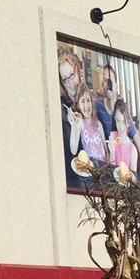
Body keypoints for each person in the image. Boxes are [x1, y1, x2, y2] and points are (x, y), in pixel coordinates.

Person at [95, 61, 140, 163]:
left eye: (110, 81)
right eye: (105, 81)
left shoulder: (122, 113)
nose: (108, 85)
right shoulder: (96, 106)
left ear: (117, 86)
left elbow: (139, 145)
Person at [58, 46, 82, 188]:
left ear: (77, 72)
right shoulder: (63, 110)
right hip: (73, 180)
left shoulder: (87, 102)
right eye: (65, 79)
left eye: (71, 75)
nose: (70, 82)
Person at [68, 82, 108, 166]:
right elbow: (73, 150)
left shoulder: (99, 124)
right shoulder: (80, 123)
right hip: (91, 171)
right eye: (82, 101)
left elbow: (106, 150)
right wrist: (73, 125)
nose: (86, 105)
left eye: (88, 100)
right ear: (78, 105)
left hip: (103, 169)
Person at [107, 99, 138, 172]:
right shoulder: (112, 136)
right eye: (118, 121)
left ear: (128, 123)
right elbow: (111, 170)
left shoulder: (132, 150)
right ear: (114, 119)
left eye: (124, 122)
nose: (121, 127)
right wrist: (111, 153)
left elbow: (133, 178)